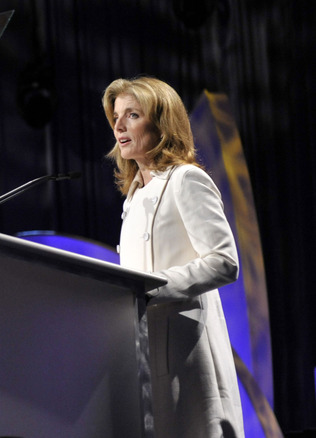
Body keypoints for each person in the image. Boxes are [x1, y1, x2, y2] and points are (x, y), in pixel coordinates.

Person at [103, 76, 244, 437]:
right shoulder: (132, 199)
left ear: (161, 123)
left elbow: (224, 261)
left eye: (132, 114)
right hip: (146, 350)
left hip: (187, 350)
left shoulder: (185, 180)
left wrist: (150, 289)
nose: (119, 125)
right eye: (116, 116)